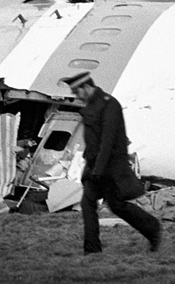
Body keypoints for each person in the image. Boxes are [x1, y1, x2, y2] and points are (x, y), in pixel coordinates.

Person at [61, 71, 162, 254]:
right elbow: (92, 141)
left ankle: (153, 228)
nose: (76, 96)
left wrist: (98, 171)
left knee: (117, 206)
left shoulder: (109, 104)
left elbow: (107, 142)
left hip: (109, 168)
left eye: (77, 91)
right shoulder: (91, 106)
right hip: (95, 166)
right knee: (88, 204)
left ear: (86, 87)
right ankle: (92, 249)